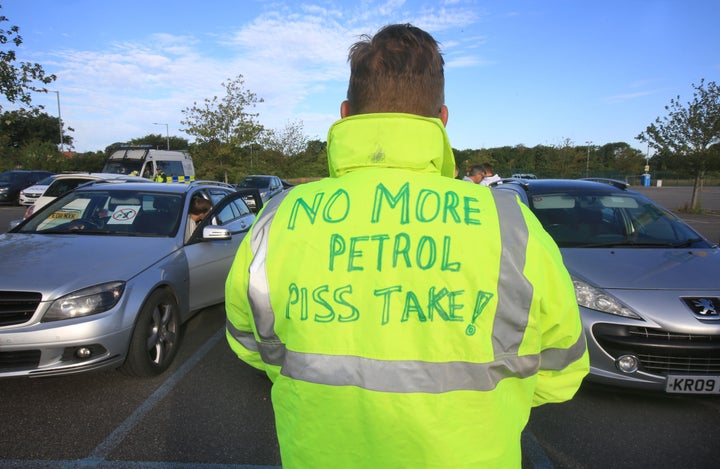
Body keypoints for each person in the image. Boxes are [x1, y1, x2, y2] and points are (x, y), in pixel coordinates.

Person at [225, 23, 588, 468]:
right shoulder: (510, 222)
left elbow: (248, 342)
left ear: (345, 114)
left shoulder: (279, 216)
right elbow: (561, 368)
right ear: (442, 118)